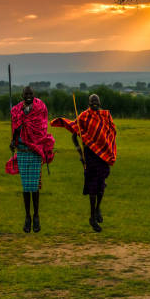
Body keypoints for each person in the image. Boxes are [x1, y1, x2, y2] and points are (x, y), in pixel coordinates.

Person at [51, 94, 116, 232]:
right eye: (92, 102)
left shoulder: (105, 116)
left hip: (103, 156)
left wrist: (108, 147)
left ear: (100, 102)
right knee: (93, 186)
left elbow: (111, 133)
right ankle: (92, 218)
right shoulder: (84, 117)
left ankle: (98, 209)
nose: (94, 104)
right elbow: (74, 135)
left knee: (101, 185)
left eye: (96, 102)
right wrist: (80, 154)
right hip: (90, 156)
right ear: (88, 103)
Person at [9, 86, 55, 233]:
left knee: (33, 186)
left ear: (34, 95)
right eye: (25, 94)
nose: (28, 96)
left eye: (30, 94)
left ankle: (36, 216)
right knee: (25, 187)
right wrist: (13, 142)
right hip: (22, 151)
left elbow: (42, 128)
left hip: (34, 151)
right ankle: (27, 217)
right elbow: (16, 129)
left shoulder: (40, 107)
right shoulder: (17, 110)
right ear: (22, 95)